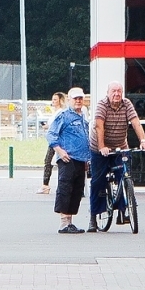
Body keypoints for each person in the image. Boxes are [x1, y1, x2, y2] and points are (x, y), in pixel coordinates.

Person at [89, 81, 145, 232]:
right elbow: (98, 126)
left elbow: (136, 123)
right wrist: (102, 146)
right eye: (113, 91)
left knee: (123, 174)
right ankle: (93, 217)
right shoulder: (102, 105)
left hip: (120, 146)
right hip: (100, 147)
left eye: (119, 91)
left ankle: (123, 211)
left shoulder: (126, 104)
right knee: (98, 181)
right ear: (108, 93)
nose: (116, 94)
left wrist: (143, 140)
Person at [47, 87, 91, 233]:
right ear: (69, 100)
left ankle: (70, 222)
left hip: (80, 159)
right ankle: (64, 223)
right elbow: (52, 135)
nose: (78, 101)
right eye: (75, 98)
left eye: (80, 98)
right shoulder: (64, 116)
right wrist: (60, 151)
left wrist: (86, 159)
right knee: (66, 188)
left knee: (76, 191)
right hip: (68, 158)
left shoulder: (83, 116)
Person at [39, 91, 66, 194]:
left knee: (48, 161)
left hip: (55, 140)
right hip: (54, 139)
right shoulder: (56, 112)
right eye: (53, 99)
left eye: (55, 99)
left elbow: (55, 126)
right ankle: (47, 185)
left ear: (60, 101)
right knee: (51, 161)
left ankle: (45, 185)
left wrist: (48, 126)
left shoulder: (60, 112)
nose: (53, 101)